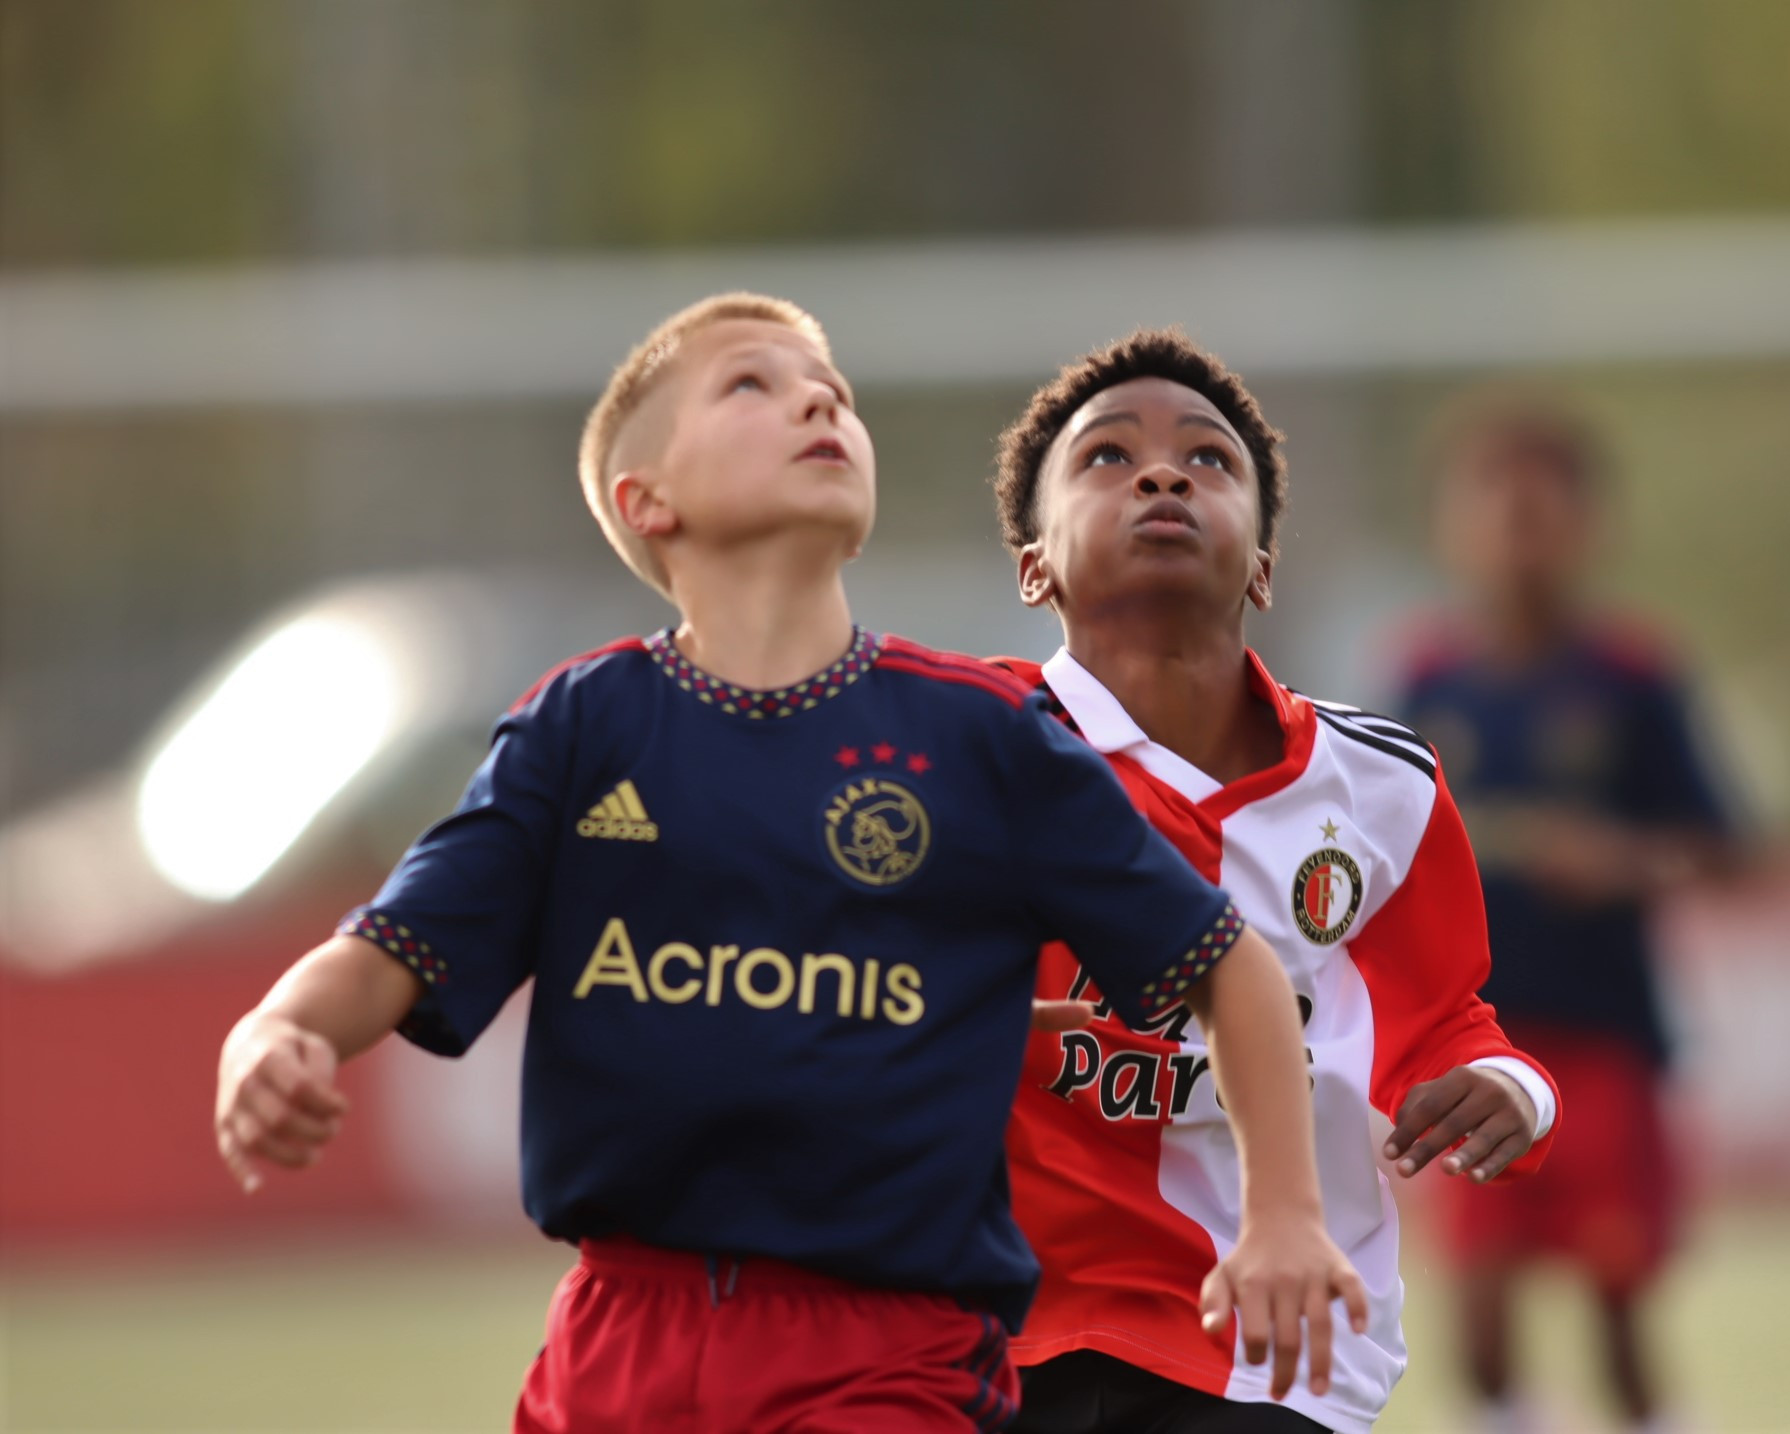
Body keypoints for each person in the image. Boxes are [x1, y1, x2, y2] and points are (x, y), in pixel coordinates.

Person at [212, 293, 1366, 1434]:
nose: (818, 398)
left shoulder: (981, 738)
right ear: (645, 499)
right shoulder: (583, 727)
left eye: (837, 394)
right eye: (751, 384)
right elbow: (399, 941)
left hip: (887, 1356)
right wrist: (278, 1028)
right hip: (615, 1347)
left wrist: (1283, 1216)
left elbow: (1233, 969)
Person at [987, 330, 1559, 1434]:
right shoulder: (964, 748)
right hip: (1008, 1328)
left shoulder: (1382, 786)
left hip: (1276, 1347)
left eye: (1210, 460)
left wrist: (1511, 1087)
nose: (1162, 473)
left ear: (1260, 563)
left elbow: (1439, 1019)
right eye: (1106, 458)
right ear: (1034, 567)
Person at [1397, 403, 1743, 1434]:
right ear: (1454, 528)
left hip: (1602, 1042)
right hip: (1469, 1044)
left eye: (1541, 510)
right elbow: (1375, 835)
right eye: (1495, 508)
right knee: (1484, 1324)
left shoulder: (1633, 678)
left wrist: (1627, 860)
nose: (1517, 532)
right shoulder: (1425, 679)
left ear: (1589, 527)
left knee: (1619, 1312)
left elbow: (1724, 849)